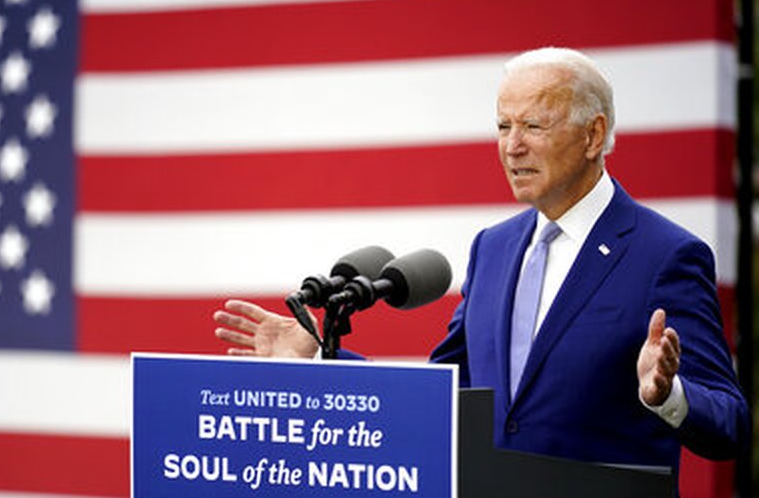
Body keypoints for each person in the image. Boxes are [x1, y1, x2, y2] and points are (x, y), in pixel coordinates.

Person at [213, 47, 748, 472]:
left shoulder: (666, 255)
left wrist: (668, 394)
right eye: (502, 126)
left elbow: (729, 423)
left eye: (533, 126)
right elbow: (444, 397)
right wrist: (320, 360)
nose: (512, 147)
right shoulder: (492, 248)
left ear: (593, 135)